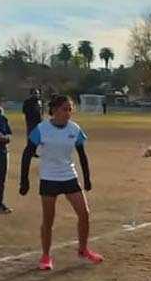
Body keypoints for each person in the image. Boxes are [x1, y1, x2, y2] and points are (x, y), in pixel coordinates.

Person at [20, 95, 104, 271]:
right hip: (49, 178)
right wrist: (24, 180)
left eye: (70, 109)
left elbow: (82, 155)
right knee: (48, 219)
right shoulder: (41, 129)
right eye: (65, 109)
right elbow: (27, 153)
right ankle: (46, 256)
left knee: (84, 213)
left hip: (69, 176)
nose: (68, 113)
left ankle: (83, 250)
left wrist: (87, 178)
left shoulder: (74, 129)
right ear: (55, 110)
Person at [22, 88, 43, 158]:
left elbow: (41, 112)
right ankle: (29, 152)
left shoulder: (39, 102)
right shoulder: (27, 102)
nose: (37, 95)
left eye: (38, 93)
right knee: (31, 138)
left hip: (39, 122)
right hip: (31, 122)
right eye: (35, 93)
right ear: (31, 94)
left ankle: (33, 151)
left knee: (38, 138)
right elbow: (24, 111)